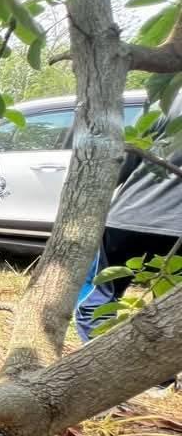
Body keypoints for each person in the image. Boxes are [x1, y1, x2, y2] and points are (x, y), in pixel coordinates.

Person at [75, 96, 182, 383]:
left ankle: (101, 370)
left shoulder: (171, 97)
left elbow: (125, 157)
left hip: (129, 219)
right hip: (173, 229)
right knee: (171, 308)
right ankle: (160, 378)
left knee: (100, 298)